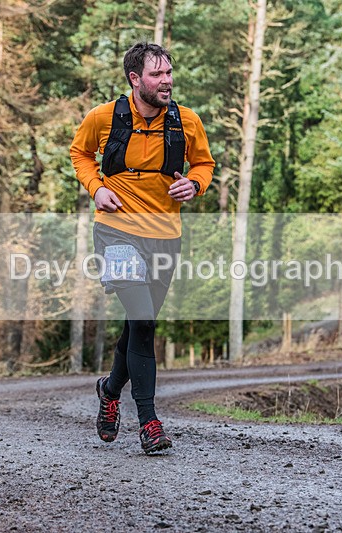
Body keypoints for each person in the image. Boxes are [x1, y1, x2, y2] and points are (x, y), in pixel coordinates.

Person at [70, 42, 214, 453]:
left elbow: (204, 164)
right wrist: (96, 189)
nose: (167, 80)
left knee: (140, 322)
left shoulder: (187, 121)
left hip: (165, 234)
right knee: (144, 321)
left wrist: (195, 183)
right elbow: (80, 154)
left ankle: (109, 390)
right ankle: (149, 421)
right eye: (157, 74)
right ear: (135, 79)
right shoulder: (103, 117)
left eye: (169, 72)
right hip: (116, 230)